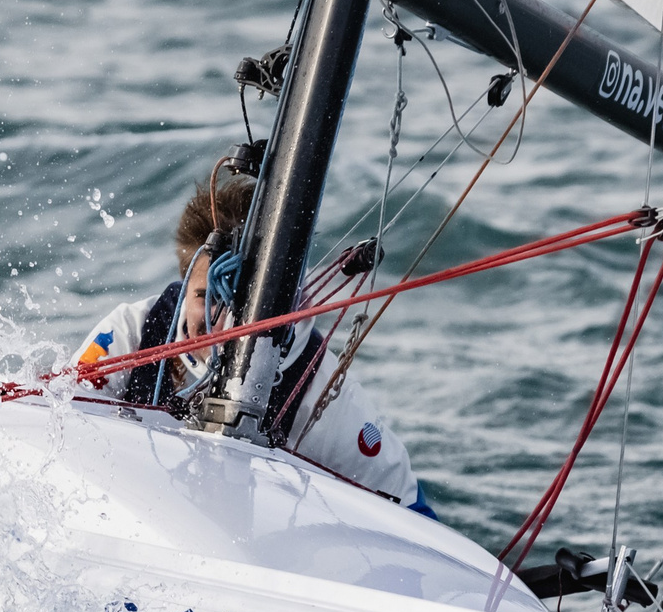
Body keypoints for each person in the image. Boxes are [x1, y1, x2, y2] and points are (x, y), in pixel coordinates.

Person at [76, 167, 429, 513]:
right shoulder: (135, 331)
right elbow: (62, 424)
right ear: (184, 288)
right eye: (210, 295)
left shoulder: (324, 391)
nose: (230, 322)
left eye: (244, 300)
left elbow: (414, 515)